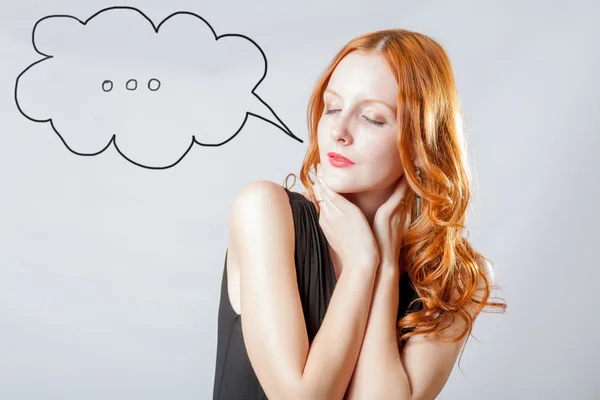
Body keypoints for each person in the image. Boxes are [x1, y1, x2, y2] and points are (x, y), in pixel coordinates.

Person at [212, 28, 506, 400]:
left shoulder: (455, 276)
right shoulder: (266, 212)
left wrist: (383, 271)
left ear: (420, 143)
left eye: (372, 118)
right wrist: (361, 265)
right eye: (333, 107)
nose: (339, 130)